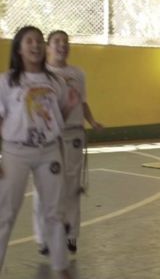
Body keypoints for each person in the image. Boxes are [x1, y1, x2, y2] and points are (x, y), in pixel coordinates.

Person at [0, 26, 77, 279]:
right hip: (15, 152)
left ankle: (61, 268)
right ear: (19, 49)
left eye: (39, 41)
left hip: (49, 151)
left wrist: (69, 108)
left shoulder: (55, 81)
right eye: (29, 41)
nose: (35, 45)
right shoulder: (6, 81)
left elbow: (58, 120)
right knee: (5, 213)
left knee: (54, 213)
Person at [32, 30, 104, 256]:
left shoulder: (77, 74)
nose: (62, 45)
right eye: (57, 42)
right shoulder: (41, 75)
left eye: (65, 42)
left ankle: (71, 234)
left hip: (73, 135)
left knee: (72, 186)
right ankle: (43, 237)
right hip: (49, 137)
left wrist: (91, 120)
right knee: (44, 186)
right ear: (48, 47)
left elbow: (82, 102)